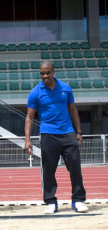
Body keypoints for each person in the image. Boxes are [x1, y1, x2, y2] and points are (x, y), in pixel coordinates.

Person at [24, 60, 88, 214]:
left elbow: (73, 111)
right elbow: (29, 118)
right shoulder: (35, 92)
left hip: (68, 133)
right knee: (48, 170)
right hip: (48, 134)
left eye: (47, 72)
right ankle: (51, 201)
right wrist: (27, 140)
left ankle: (78, 200)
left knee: (75, 167)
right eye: (42, 73)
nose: (45, 76)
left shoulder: (65, 88)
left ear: (53, 72)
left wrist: (78, 131)